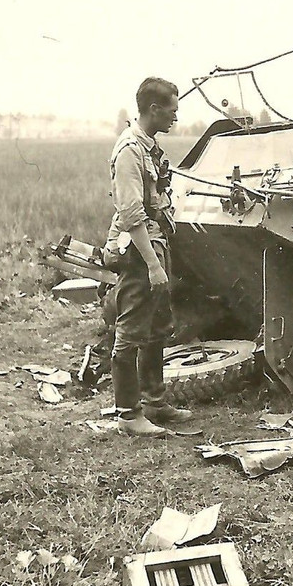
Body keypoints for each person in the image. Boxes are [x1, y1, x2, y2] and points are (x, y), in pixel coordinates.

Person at [103, 77, 192, 436]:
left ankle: (154, 401)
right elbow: (131, 214)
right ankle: (128, 414)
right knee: (131, 331)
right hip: (138, 248)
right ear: (154, 109)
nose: (176, 116)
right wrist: (153, 265)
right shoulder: (129, 150)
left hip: (155, 242)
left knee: (157, 326)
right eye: (172, 108)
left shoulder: (149, 146)